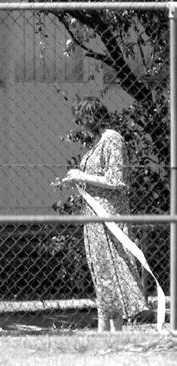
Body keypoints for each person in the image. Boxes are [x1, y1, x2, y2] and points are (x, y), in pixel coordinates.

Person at [60, 96, 148, 332]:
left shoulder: (112, 140)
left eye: (82, 118)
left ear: (91, 116)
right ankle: (104, 330)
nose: (80, 124)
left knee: (113, 268)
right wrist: (74, 180)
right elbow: (93, 178)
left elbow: (115, 180)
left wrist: (82, 176)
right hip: (93, 218)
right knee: (101, 272)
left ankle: (115, 331)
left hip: (109, 215)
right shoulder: (95, 142)